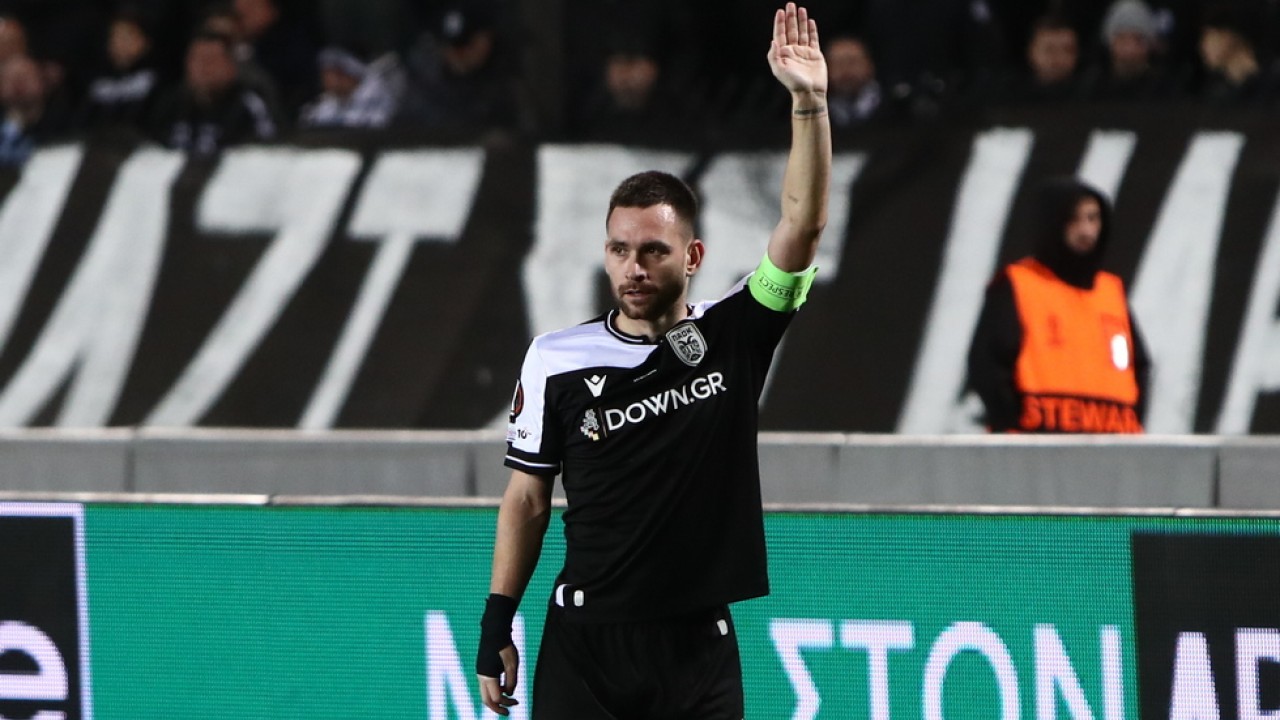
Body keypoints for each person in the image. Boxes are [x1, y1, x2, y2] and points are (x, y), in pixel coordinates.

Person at [474, 3, 832, 718]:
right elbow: (527, 499)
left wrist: (809, 105)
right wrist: (497, 619)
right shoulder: (555, 359)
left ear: (693, 256)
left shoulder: (736, 333)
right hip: (586, 647)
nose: (632, 267)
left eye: (653, 250)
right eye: (619, 249)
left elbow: (802, 224)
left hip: (697, 647)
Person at [967, 177, 1150, 434]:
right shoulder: (1019, 284)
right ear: (1053, 223)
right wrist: (1013, 426)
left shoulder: (1111, 292)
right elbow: (988, 364)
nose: (1086, 230)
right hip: (1035, 446)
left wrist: (1128, 422)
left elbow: (1137, 367)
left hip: (1111, 445)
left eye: (1093, 218)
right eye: (1073, 219)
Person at [147, 30, 278, 155]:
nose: (202, 67)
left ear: (231, 66)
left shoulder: (249, 105)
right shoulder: (171, 103)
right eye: (195, 59)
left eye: (210, 60)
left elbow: (267, 152)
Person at [996, 14, 1083, 104]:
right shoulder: (1007, 95)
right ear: (1031, 52)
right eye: (1050, 50)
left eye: (1068, 50)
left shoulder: (1088, 93)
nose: (1060, 58)